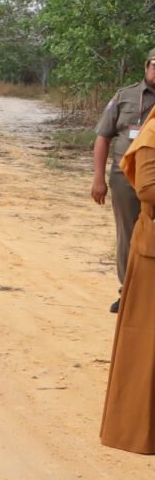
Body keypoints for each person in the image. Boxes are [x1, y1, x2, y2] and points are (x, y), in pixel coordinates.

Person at [99, 108, 155, 454]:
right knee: (146, 343)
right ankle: (138, 430)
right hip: (152, 255)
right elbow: (148, 190)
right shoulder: (152, 134)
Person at [91, 49, 155, 313]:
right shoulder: (124, 96)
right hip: (124, 178)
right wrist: (98, 179)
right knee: (128, 234)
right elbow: (103, 137)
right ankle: (127, 292)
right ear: (147, 66)